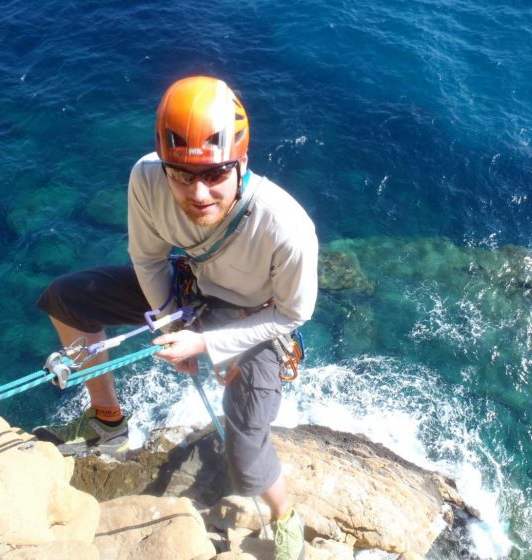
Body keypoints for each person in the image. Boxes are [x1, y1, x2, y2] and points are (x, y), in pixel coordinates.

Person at [33, 75, 318, 559]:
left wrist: (205, 345)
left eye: (215, 174)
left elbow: (293, 312)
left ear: (242, 163)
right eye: (182, 175)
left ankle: (285, 517)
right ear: (164, 166)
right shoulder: (146, 178)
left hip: (256, 315)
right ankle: (108, 422)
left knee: (246, 450)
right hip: (190, 290)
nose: (199, 193)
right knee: (67, 299)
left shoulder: (286, 227)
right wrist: (171, 325)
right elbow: (148, 260)